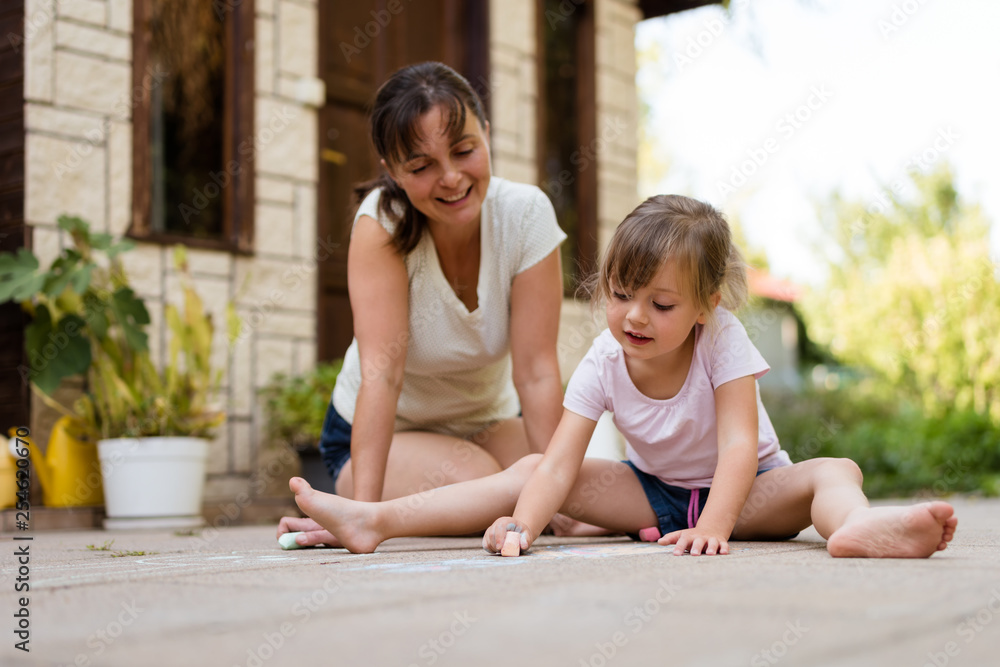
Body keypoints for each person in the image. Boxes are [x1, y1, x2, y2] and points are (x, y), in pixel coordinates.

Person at [286, 194, 959, 558]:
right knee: (529, 471)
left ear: (705, 305)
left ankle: (859, 529)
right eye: (619, 293)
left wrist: (717, 525)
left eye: (660, 304)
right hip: (659, 498)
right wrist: (522, 523)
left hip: (751, 493)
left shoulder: (723, 342)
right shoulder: (605, 358)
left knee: (834, 469)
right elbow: (558, 465)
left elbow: (735, 447)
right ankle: (376, 520)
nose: (634, 316)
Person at [277, 62, 568, 548]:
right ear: (392, 172)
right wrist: (361, 516)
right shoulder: (382, 226)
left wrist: (560, 500)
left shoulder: (526, 214)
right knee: (490, 482)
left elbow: (536, 372)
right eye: (422, 165)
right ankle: (372, 511)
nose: (451, 177)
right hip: (386, 438)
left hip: (486, 424)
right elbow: (382, 374)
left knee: (575, 473)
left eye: (464, 150)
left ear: (487, 134)